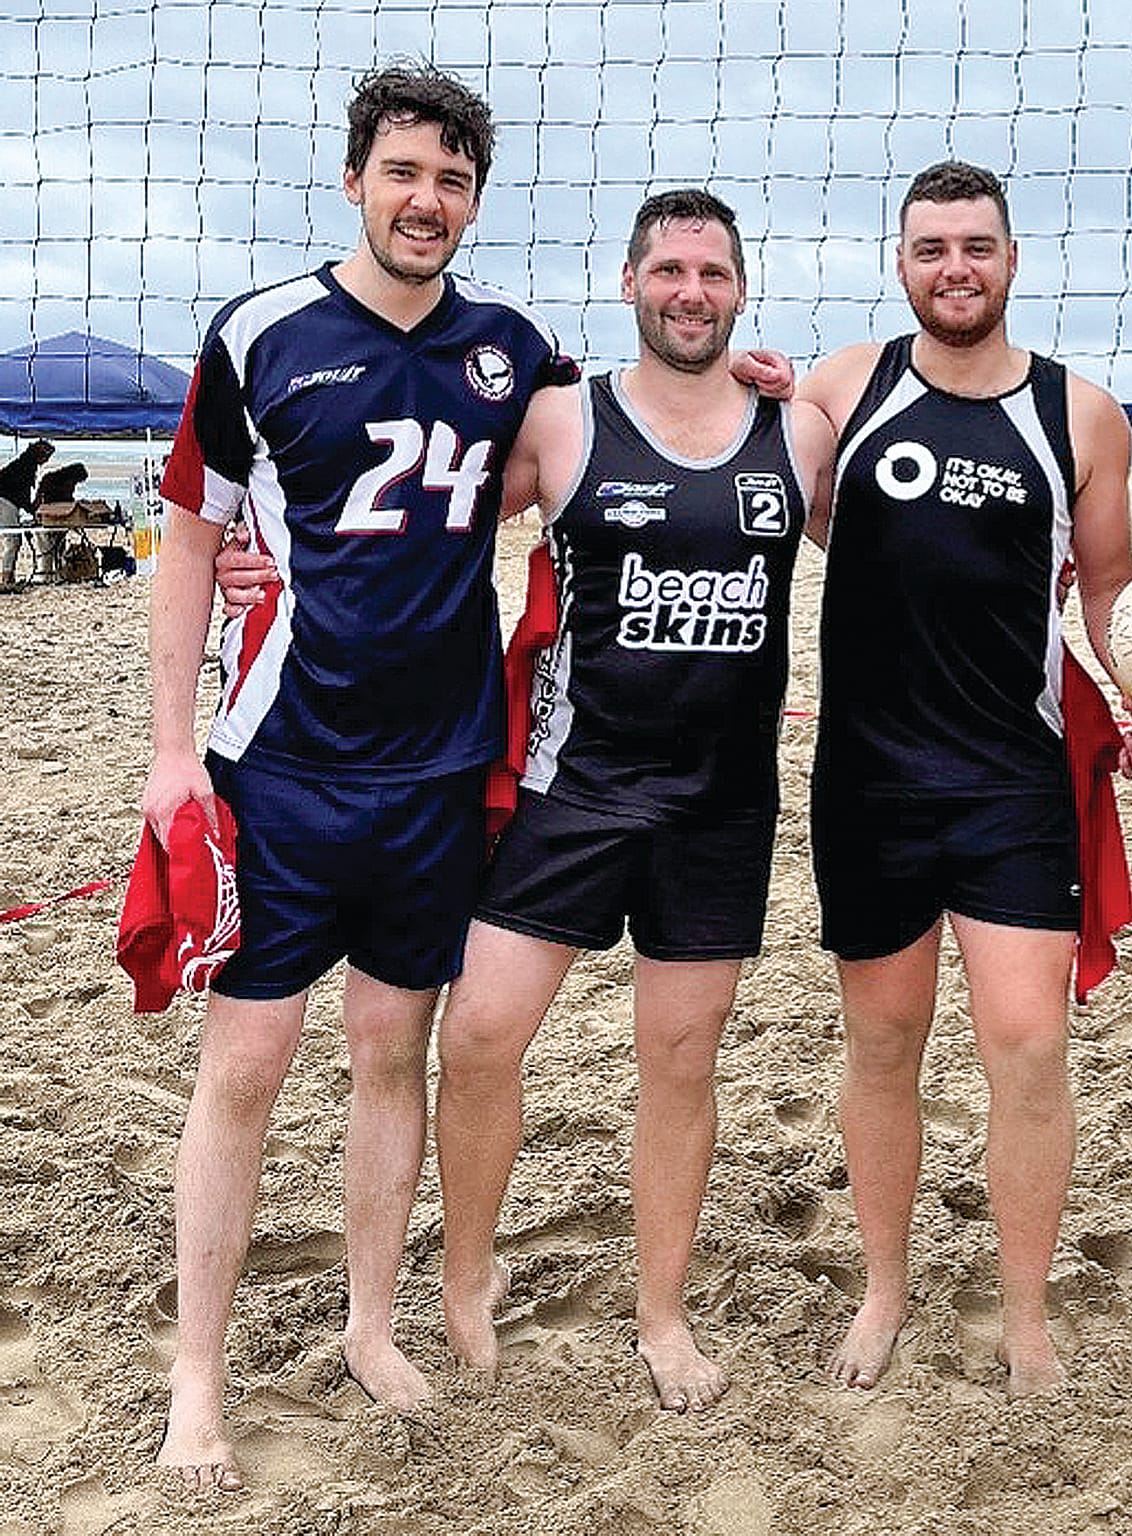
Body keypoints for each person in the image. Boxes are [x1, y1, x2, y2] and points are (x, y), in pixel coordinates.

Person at [141, 63, 572, 1491]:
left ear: (474, 199)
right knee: (249, 1064)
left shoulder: (511, 347)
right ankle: (196, 1380)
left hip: (440, 770)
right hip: (281, 771)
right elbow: (193, 542)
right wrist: (163, 760)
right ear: (353, 180)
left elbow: (589, 454)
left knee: (393, 1053)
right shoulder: (261, 333)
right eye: (404, 173)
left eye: (452, 180)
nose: (427, 201)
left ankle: (372, 1325)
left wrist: (757, 381)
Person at [431, 188, 836, 1414]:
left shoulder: (798, 428)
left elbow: (905, 552)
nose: (690, 291)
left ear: (741, 289)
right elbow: (414, 523)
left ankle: (661, 1317)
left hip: (720, 805)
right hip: (574, 788)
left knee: (679, 1060)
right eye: (668, 268)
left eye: (712, 271)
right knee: (481, 1036)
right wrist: (253, 548)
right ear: (628, 282)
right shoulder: (562, 421)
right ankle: (464, 1281)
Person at [797, 159, 1132, 1397]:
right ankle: (883, 1290)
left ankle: (1023, 1314)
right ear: (899, 264)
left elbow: (1112, 582)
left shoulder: (1082, 412)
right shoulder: (842, 386)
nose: (952, 268)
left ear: (1010, 260)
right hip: (865, 781)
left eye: (974, 246)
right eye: (929, 249)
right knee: (882, 1045)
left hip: (1010, 780)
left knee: (1023, 1051)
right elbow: (766, 508)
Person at [0, 437, 54, 588]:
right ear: (40, 454)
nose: (47, 461)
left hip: (8, 501)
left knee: (13, 540)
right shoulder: (25, 466)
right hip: (5, 501)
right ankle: (6, 578)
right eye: (47, 457)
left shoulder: (25, 463)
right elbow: (22, 496)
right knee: (12, 540)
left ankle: (9, 576)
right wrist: (33, 510)